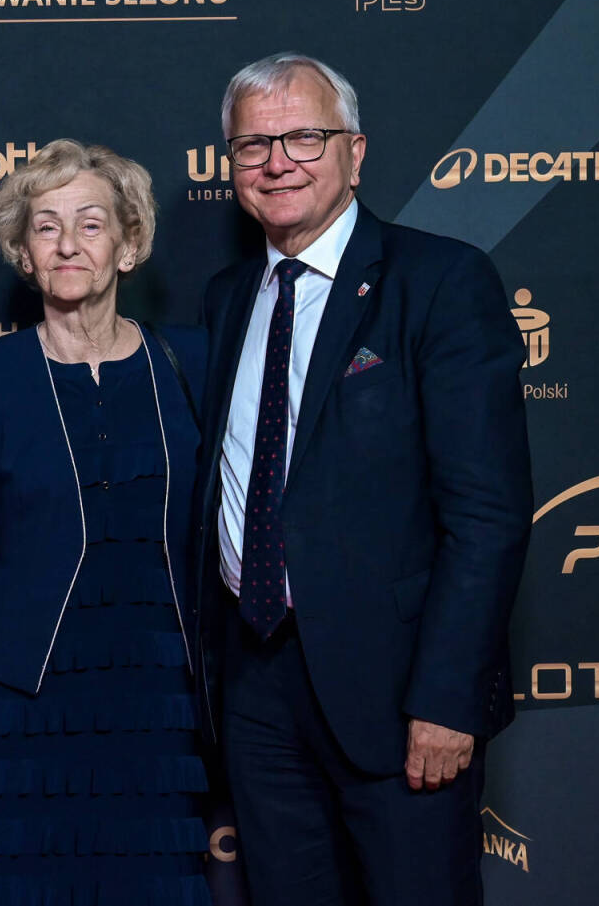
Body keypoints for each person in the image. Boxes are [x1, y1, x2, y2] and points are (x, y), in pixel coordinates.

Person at [192, 53, 532, 905]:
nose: (278, 162)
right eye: (254, 145)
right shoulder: (227, 298)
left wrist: (447, 696)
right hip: (257, 685)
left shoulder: (441, 281)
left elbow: (486, 514)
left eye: (305, 137)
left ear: (355, 151)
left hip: (399, 691)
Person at [0, 139, 212, 905]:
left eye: (91, 223)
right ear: (24, 253)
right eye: (46, 226)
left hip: (157, 702)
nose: (69, 243)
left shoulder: (191, 362)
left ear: (129, 244)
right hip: (16, 703)